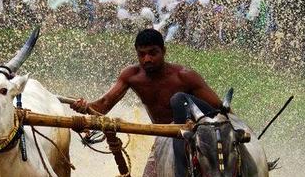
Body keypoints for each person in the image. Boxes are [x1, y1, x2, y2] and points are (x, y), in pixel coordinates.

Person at [70, 28, 221, 123]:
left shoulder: (185, 76)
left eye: (152, 53)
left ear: (164, 51)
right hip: (162, 139)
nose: (147, 59)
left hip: (192, 136)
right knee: (148, 176)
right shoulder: (131, 75)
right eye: (141, 54)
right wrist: (85, 107)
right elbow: (103, 106)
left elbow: (220, 108)